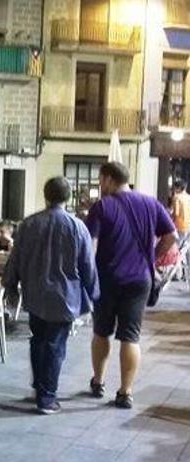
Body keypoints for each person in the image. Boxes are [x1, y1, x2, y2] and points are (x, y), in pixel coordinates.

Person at [3, 177, 99, 415]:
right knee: (55, 345)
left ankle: (40, 386)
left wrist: (11, 286)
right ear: (68, 198)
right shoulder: (77, 227)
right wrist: (95, 294)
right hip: (65, 297)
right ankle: (47, 397)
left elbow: (15, 259)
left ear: (46, 195)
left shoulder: (28, 224)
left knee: (38, 340)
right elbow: (87, 265)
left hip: (35, 294)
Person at [86, 162, 177, 409]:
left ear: (107, 179)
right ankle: (125, 392)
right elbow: (171, 237)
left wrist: (87, 275)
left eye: (100, 180)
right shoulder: (151, 204)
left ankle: (98, 381)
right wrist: (152, 257)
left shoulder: (102, 207)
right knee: (131, 337)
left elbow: (90, 246)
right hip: (140, 281)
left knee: (101, 332)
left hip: (107, 279)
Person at [170, 179, 190, 243]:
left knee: (177, 246)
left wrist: (170, 221)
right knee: (186, 247)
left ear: (179, 188)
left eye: (175, 188)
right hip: (188, 226)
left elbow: (176, 213)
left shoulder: (177, 198)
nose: (174, 190)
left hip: (180, 226)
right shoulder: (189, 197)